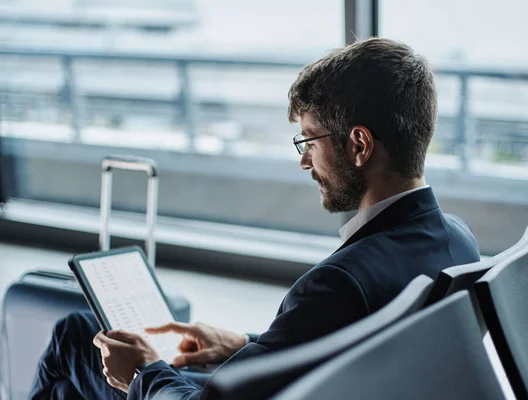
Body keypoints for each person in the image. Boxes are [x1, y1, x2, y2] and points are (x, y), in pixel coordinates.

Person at [30, 38, 480, 400]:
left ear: (359, 145)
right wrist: (245, 345)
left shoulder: (340, 284)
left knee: (75, 339)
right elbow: (339, 347)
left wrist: (146, 372)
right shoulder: (457, 241)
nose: (305, 161)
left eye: (310, 140)